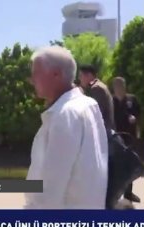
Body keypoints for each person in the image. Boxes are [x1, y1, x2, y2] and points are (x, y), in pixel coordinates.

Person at [25, 46, 108, 209]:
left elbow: (50, 190)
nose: (31, 79)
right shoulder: (88, 104)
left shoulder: (65, 114)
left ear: (56, 74)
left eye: (36, 73)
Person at [112, 76, 141, 203]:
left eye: (121, 85)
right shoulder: (111, 100)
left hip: (130, 137)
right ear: (114, 87)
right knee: (116, 167)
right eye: (117, 85)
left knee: (129, 166)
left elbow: (139, 113)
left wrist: (135, 118)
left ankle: (128, 193)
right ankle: (114, 194)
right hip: (115, 138)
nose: (119, 87)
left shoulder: (131, 99)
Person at [79, 64, 115, 133]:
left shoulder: (96, 88)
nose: (79, 79)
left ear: (89, 75)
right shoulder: (99, 86)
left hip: (103, 132)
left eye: (81, 76)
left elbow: (95, 112)